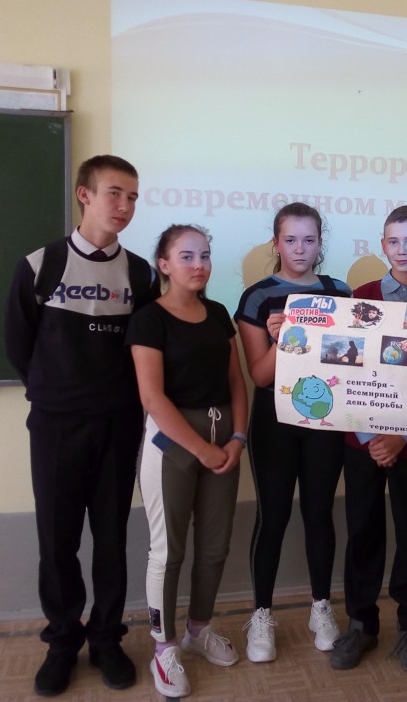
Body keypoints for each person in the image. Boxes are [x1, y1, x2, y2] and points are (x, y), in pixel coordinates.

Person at [4, 155, 159, 696]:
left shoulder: (141, 274)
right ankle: (62, 642)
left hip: (118, 425)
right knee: (58, 540)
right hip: (55, 426)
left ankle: (107, 640)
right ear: (84, 195)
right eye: (115, 193)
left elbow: (146, 350)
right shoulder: (40, 265)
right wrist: (57, 394)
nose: (125, 206)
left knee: (112, 538)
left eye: (133, 197)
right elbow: (19, 346)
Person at [127, 224, 248, 698]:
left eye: (205, 255)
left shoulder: (218, 313)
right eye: (187, 256)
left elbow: (236, 382)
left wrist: (237, 438)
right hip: (172, 447)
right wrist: (203, 449)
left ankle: (199, 630)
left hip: (224, 442)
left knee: (215, 547)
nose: (199, 265)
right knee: (168, 551)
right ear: (164, 264)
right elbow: (152, 398)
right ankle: (164, 646)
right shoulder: (148, 319)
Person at [330, 205, 407, 673]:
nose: (402, 250)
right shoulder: (359, 298)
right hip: (362, 443)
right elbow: (344, 368)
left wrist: (401, 435)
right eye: (394, 241)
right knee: (362, 530)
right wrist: (373, 436)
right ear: (383, 245)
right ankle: (361, 623)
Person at [234, 202, 352, 662]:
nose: (300, 249)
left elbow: (352, 361)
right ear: (276, 243)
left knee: (320, 513)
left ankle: (321, 607)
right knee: (273, 517)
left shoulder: (339, 292)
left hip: (325, 420)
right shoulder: (257, 297)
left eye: (309, 239)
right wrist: (283, 338)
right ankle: (261, 615)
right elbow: (260, 375)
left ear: (320, 242)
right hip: (275, 423)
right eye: (290, 240)